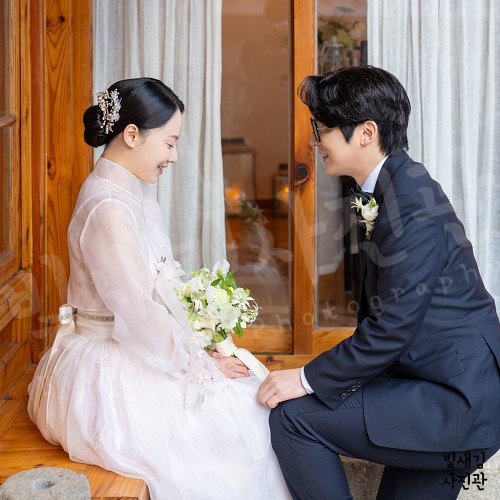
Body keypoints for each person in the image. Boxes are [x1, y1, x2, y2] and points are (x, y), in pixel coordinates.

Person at [28, 77, 290, 500]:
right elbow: (136, 313)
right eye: (169, 143)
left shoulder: (132, 190)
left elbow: (157, 291)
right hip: (112, 359)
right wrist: (201, 366)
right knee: (238, 428)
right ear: (132, 135)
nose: (174, 156)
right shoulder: (108, 207)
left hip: (144, 342)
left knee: (251, 398)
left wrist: (200, 342)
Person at [257, 66, 500, 499]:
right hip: (444, 390)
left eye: (322, 129)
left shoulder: (408, 202)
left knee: (294, 418)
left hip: (455, 405)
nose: (315, 142)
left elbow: (392, 327)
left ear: (366, 132)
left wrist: (308, 378)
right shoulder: (398, 185)